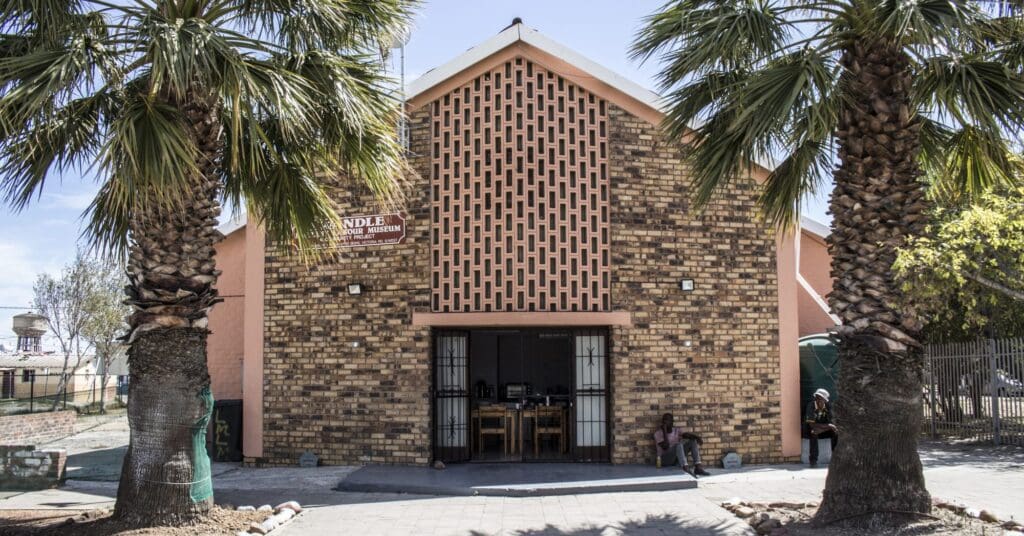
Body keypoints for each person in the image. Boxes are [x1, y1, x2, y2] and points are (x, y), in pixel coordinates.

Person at [803, 388, 838, 467]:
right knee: (814, 432)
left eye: (820, 398)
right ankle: (813, 461)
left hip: (824, 430)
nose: (818, 400)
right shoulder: (811, 406)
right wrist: (828, 426)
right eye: (817, 398)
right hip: (811, 429)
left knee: (835, 431)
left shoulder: (828, 406)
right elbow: (812, 425)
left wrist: (826, 427)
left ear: (825, 400)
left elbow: (832, 422)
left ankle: (836, 459)